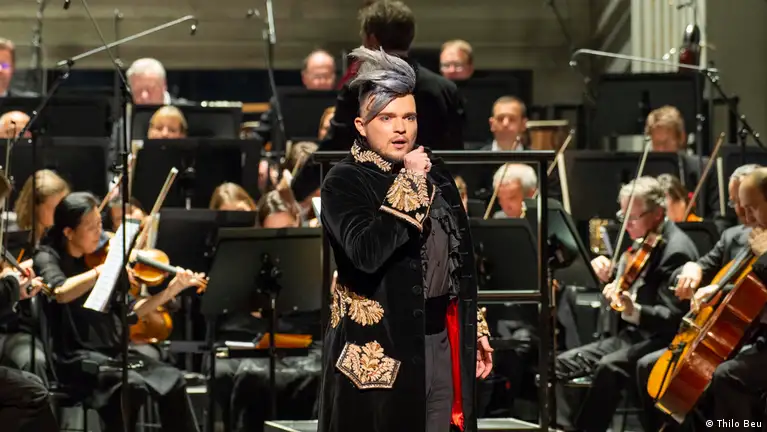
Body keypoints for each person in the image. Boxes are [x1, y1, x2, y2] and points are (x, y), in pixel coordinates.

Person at [318, 46, 491, 432]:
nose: (401, 128)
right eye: (387, 117)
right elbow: (366, 253)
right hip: (379, 349)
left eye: (409, 117)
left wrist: (474, 326)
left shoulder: (435, 172)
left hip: (439, 339)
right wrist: (410, 182)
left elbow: (457, 258)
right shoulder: (345, 179)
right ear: (362, 125)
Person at [34, 192, 205, 431]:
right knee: (130, 385)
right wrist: (102, 271)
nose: (100, 233)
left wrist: (171, 290)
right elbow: (60, 292)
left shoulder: (99, 259)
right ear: (69, 232)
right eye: (91, 227)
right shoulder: (47, 257)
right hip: (74, 359)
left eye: (100, 224)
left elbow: (132, 312)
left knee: (173, 379)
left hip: (113, 354)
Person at [554, 176, 699, 432]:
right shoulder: (643, 239)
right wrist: (609, 276)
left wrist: (634, 310)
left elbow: (673, 318)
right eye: (623, 216)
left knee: (609, 367)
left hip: (661, 339)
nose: (626, 224)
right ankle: (564, 426)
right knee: (560, 363)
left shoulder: (676, 251)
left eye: (632, 218)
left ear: (657, 214)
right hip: (631, 335)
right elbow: (628, 284)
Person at [292, 0, 465, 202]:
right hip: (436, 200)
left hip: (375, 201)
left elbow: (334, 147)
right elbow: (457, 155)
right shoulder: (446, 90)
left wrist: (295, 190)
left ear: (371, 39)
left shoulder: (358, 88)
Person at [635, 164, 761, 432]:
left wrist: (720, 290)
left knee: (721, 377)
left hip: (756, 337)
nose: (741, 212)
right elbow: (700, 265)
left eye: (748, 205)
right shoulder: (734, 236)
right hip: (726, 335)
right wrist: (692, 268)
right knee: (649, 367)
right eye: (735, 203)